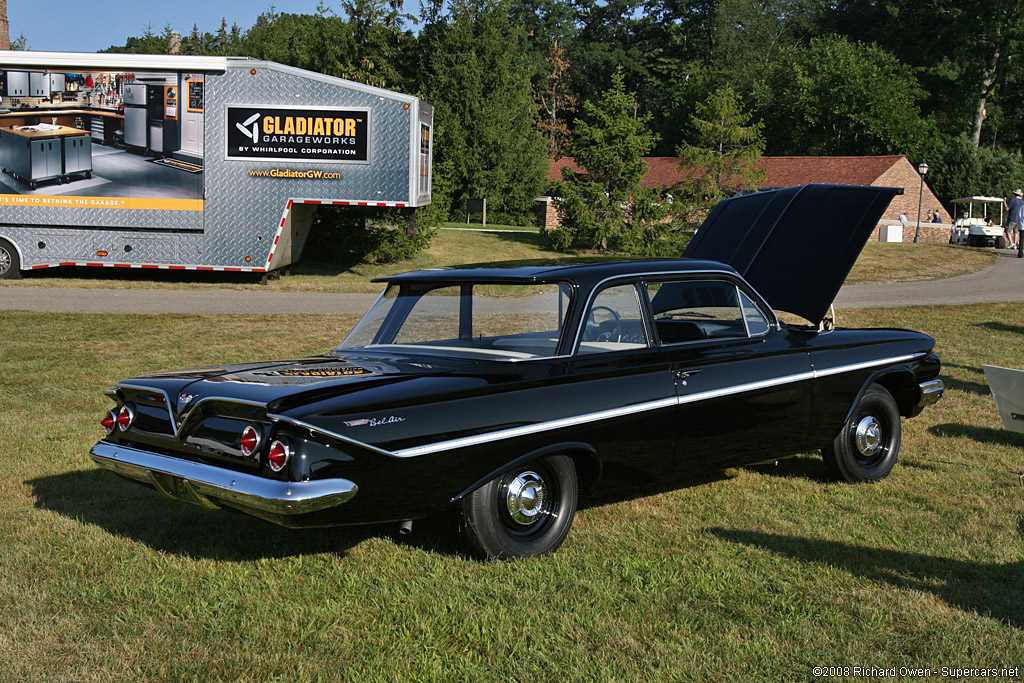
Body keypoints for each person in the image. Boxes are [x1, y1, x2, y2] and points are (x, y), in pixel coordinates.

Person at [1007, 189, 1024, 253]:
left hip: (1012, 218)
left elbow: (1007, 208)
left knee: (1008, 230)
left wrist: (1004, 202)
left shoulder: (1013, 200)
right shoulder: (1022, 202)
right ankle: (1015, 243)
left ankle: (1011, 242)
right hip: (1019, 221)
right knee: (1016, 232)